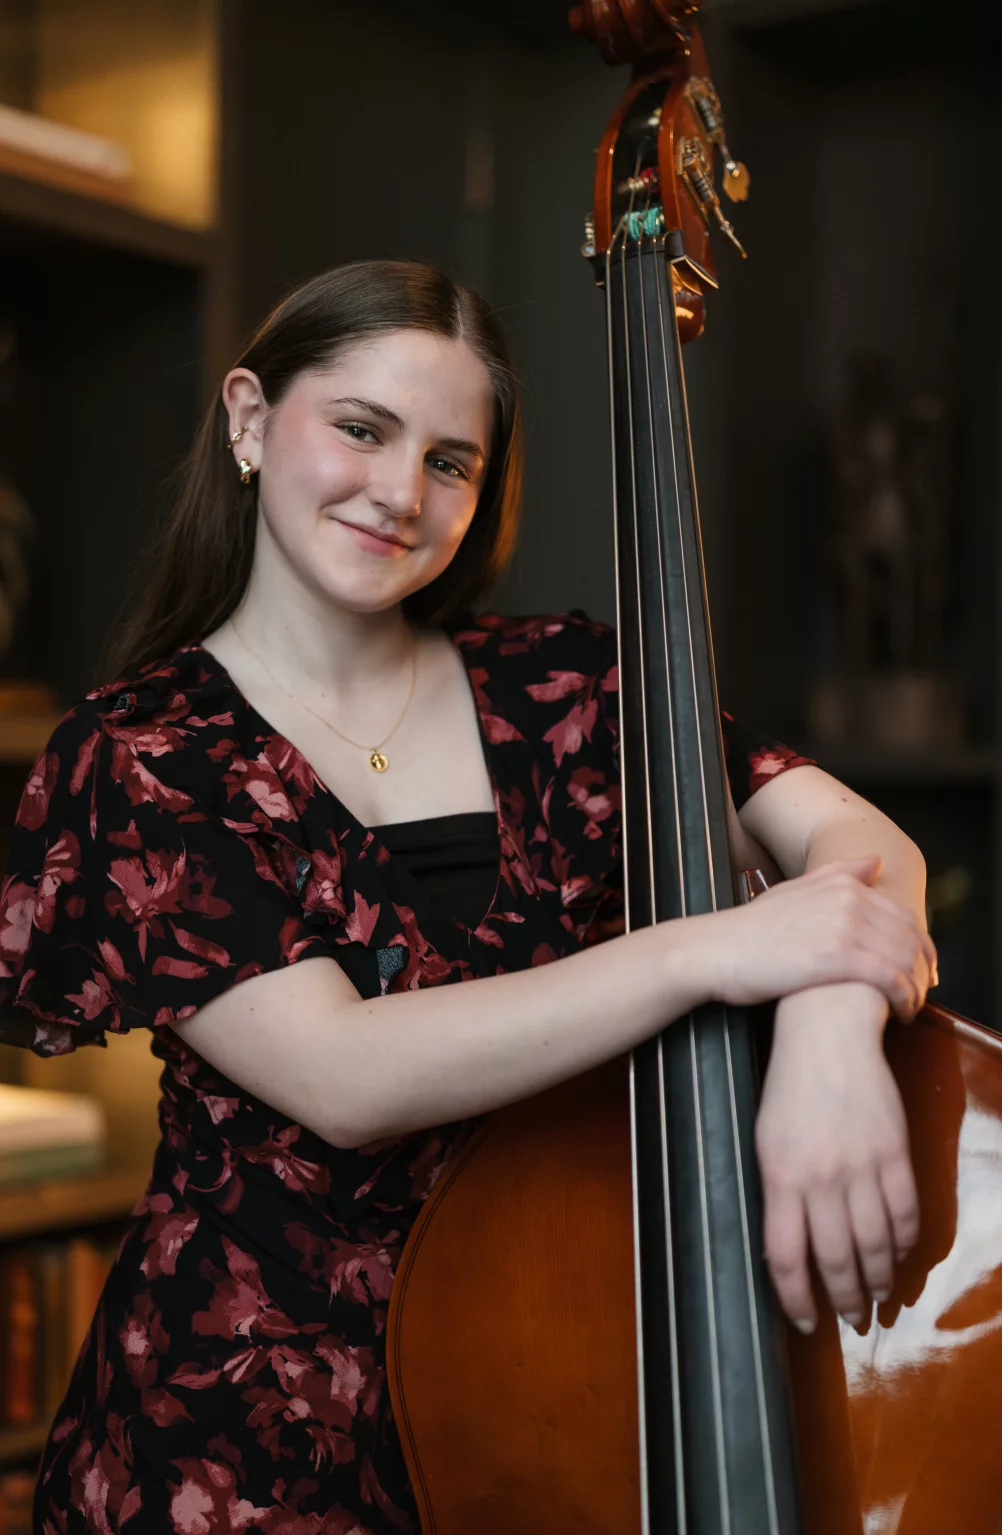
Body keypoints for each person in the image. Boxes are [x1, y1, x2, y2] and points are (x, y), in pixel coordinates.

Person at [0, 261, 935, 1533]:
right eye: (362, 428)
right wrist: (717, 950)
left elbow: (850, 836)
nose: (400, 491)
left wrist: (830, 1030)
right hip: (242, 1441)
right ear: (250, 417)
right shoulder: (139, 752)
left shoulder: (571, 684)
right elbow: (346, 1074)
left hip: (559, 1388)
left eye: (451, 459)